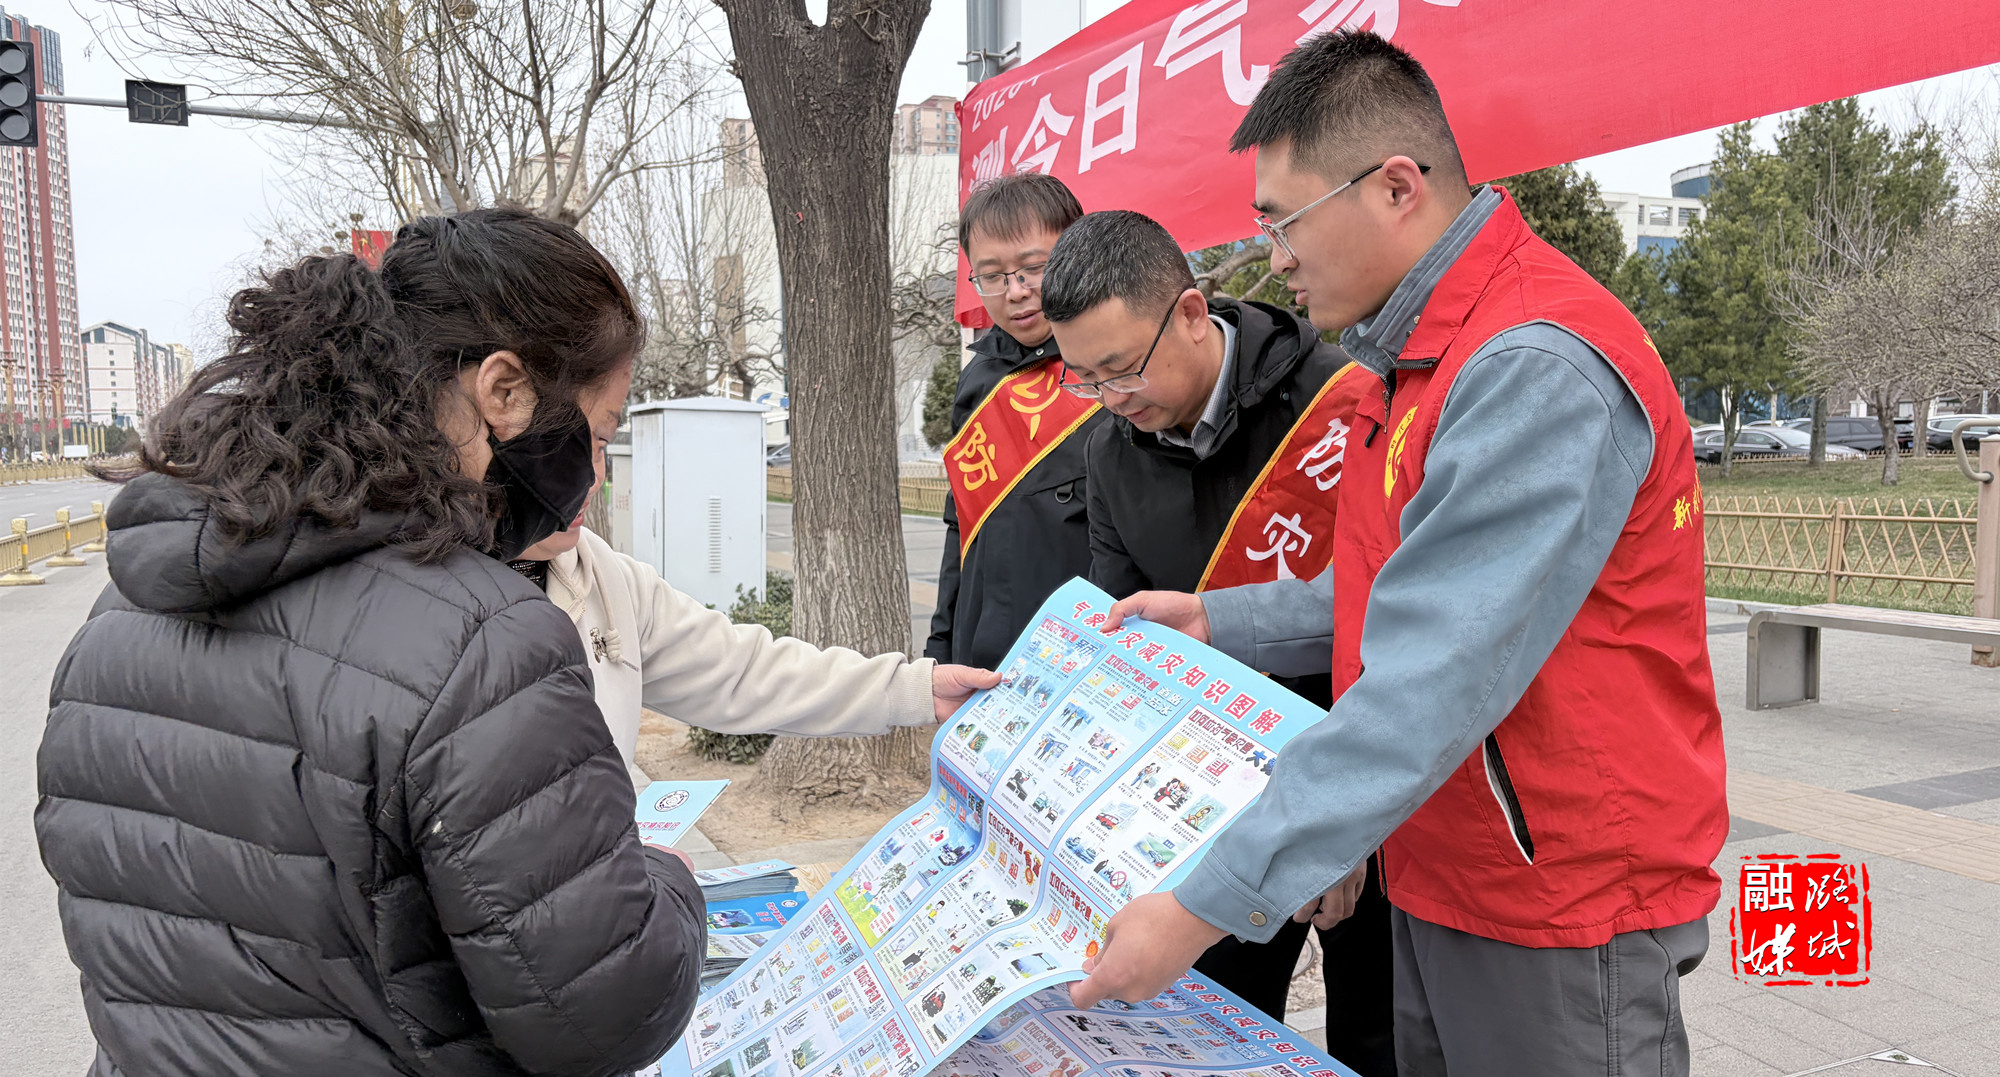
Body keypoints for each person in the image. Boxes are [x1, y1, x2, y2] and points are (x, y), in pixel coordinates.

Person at [1068, 31, 1726, 1077]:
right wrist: (1217, 618)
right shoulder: (1415, 357)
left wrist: (1199, 906)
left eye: (1282, 221)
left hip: (1553, 897)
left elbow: (1428, 679)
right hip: (1450, 862)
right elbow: (1395, 591)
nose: (1274, 258)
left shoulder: (1528, 364)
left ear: (1394, 187)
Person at [36, 209, 710, 1077]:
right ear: (504, 390)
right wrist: (666, 880)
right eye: (599, 433)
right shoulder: (484, 642)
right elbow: (607, 1011)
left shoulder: (118, 614)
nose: (594, 471)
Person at [1039, 210, 1389, 1073]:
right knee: (1212, 1034)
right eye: (1086, 379)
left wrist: (1338, 825)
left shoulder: (1345, 404)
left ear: (1192, 313)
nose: (1112, 399)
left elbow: (1390, 621)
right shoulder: (1110, 453)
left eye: (1123, 368)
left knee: (1381, 1033)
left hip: (1366, 787)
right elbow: (1130, 646)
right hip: (1216, 810)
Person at [511, 454, 1001, 790]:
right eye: (569, 443)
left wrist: (916, 688)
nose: (592, 477)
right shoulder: (464, 601)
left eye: (601, 444)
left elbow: (741, 669)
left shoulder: (603, 575)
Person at [927, 172, 1110, 672]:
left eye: (1034, 268)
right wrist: (940, 648)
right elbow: (960, 526)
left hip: (1079, 653)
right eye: (992, 276)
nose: (1016, 291)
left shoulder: (1116, 370)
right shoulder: (979, 380)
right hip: (980, 650)